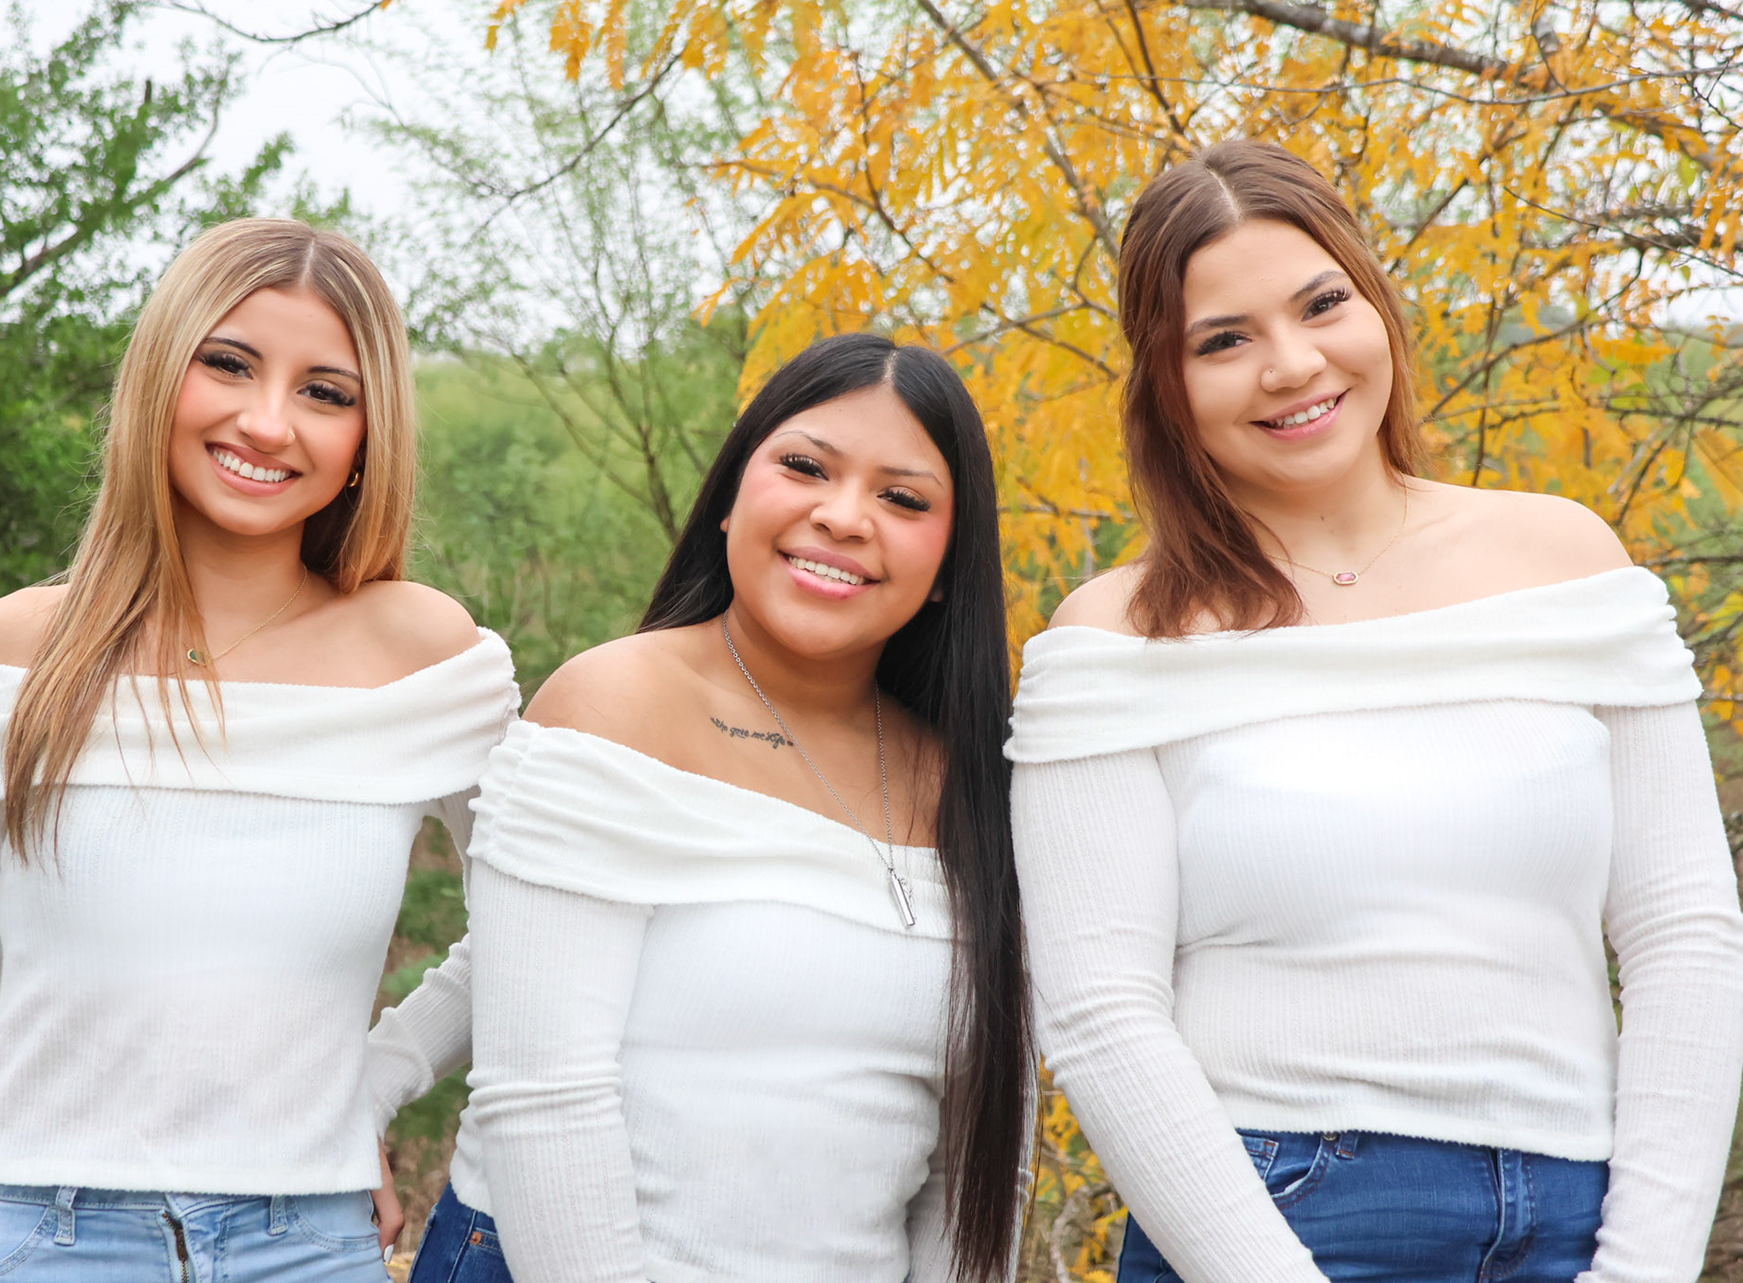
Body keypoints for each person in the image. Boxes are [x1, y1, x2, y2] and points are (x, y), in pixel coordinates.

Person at [1009, 139, 1743, 1281]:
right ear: (1166, 385)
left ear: (1377, 306)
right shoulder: (1114, 638)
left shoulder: (1567, 561)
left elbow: (1685, 929)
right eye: (1223, 340)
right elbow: (1102, 1015)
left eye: (1322, 304)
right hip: (1270, 1219)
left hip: (1582, 1213)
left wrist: (1644, 1265)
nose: (1292, 364)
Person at [0, 218, 517, 1283]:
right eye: (229, 364)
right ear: (160, 375)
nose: (268, 421)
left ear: (368, 436)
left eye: (325, 392)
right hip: (30, 1237)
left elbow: (533, 936)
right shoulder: (18, 650)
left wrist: (374, 1080)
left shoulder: (425, 656)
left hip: (309, 1243)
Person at [397, 333, 1033, 1283]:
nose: (843, 515)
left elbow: (978, 1166)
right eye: (806, 467)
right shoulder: (613, 706)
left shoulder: (976, 786)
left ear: (949, 561)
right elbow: (543, 1098)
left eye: (903, 498)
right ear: (731, 495)